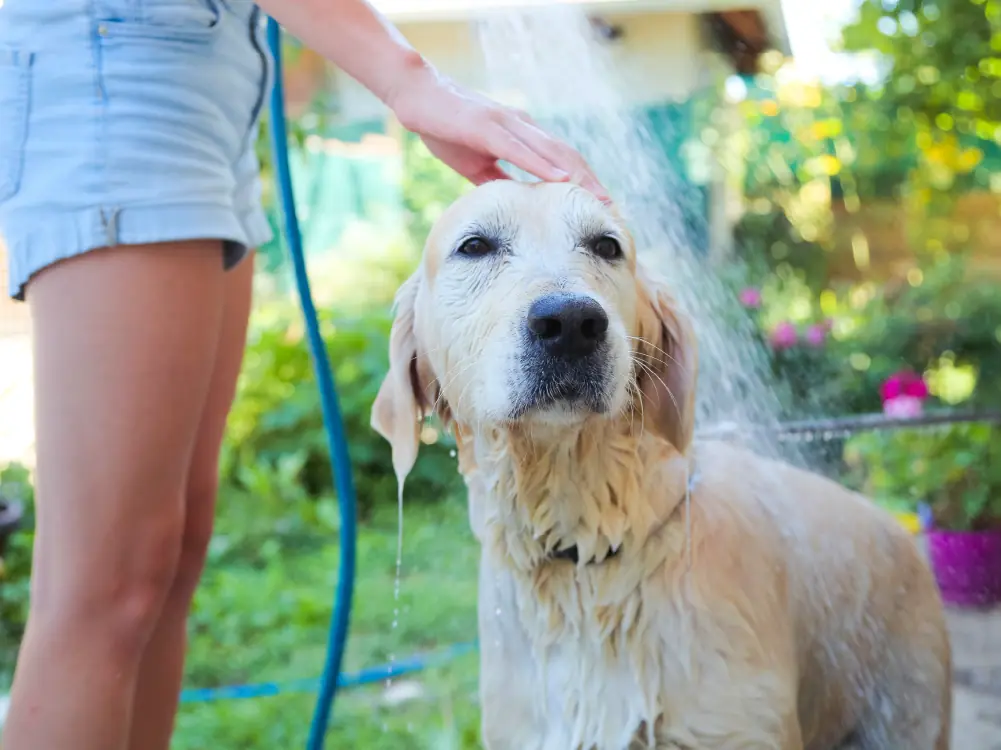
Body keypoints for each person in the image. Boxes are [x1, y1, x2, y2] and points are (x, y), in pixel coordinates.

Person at [0, 1, 606, 748]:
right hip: (115, 64)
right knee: (104, 589)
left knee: (163, 565)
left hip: (208, 72)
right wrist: (411, 82)